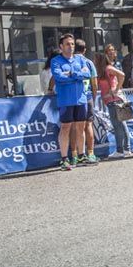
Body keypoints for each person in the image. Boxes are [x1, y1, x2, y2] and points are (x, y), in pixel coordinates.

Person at [51, 34, 93, 170]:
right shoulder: (56, 61)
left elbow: (87, 74)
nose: (71, 46)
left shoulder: (80, 59)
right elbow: (59, 77)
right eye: (68, 44)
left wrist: (71, 74)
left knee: (80, 127)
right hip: (65, 100)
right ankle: (64, 159)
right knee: (65, 128)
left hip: (81, 99)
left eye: (73, 44)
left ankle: (81, 155)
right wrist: (77, 75)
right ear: (61, 46)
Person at [97, 44, 132, 158]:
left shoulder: (108, 68)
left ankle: (120, 150)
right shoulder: (105, 69)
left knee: (118, 125)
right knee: (122, 124)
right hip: (113, 100)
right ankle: (126, 149)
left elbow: (122, 75)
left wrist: (116, 90)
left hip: (114, 100)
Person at [73, 39, 100, 164]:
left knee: (73, 126)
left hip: (73, 97)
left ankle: (74, 155)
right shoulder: (88, 62)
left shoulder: (70, 61)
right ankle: (90, 153)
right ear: (84, 50)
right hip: (87, 96)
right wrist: (93, 97)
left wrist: (50, 89)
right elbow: (94, 83)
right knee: (88, 125)